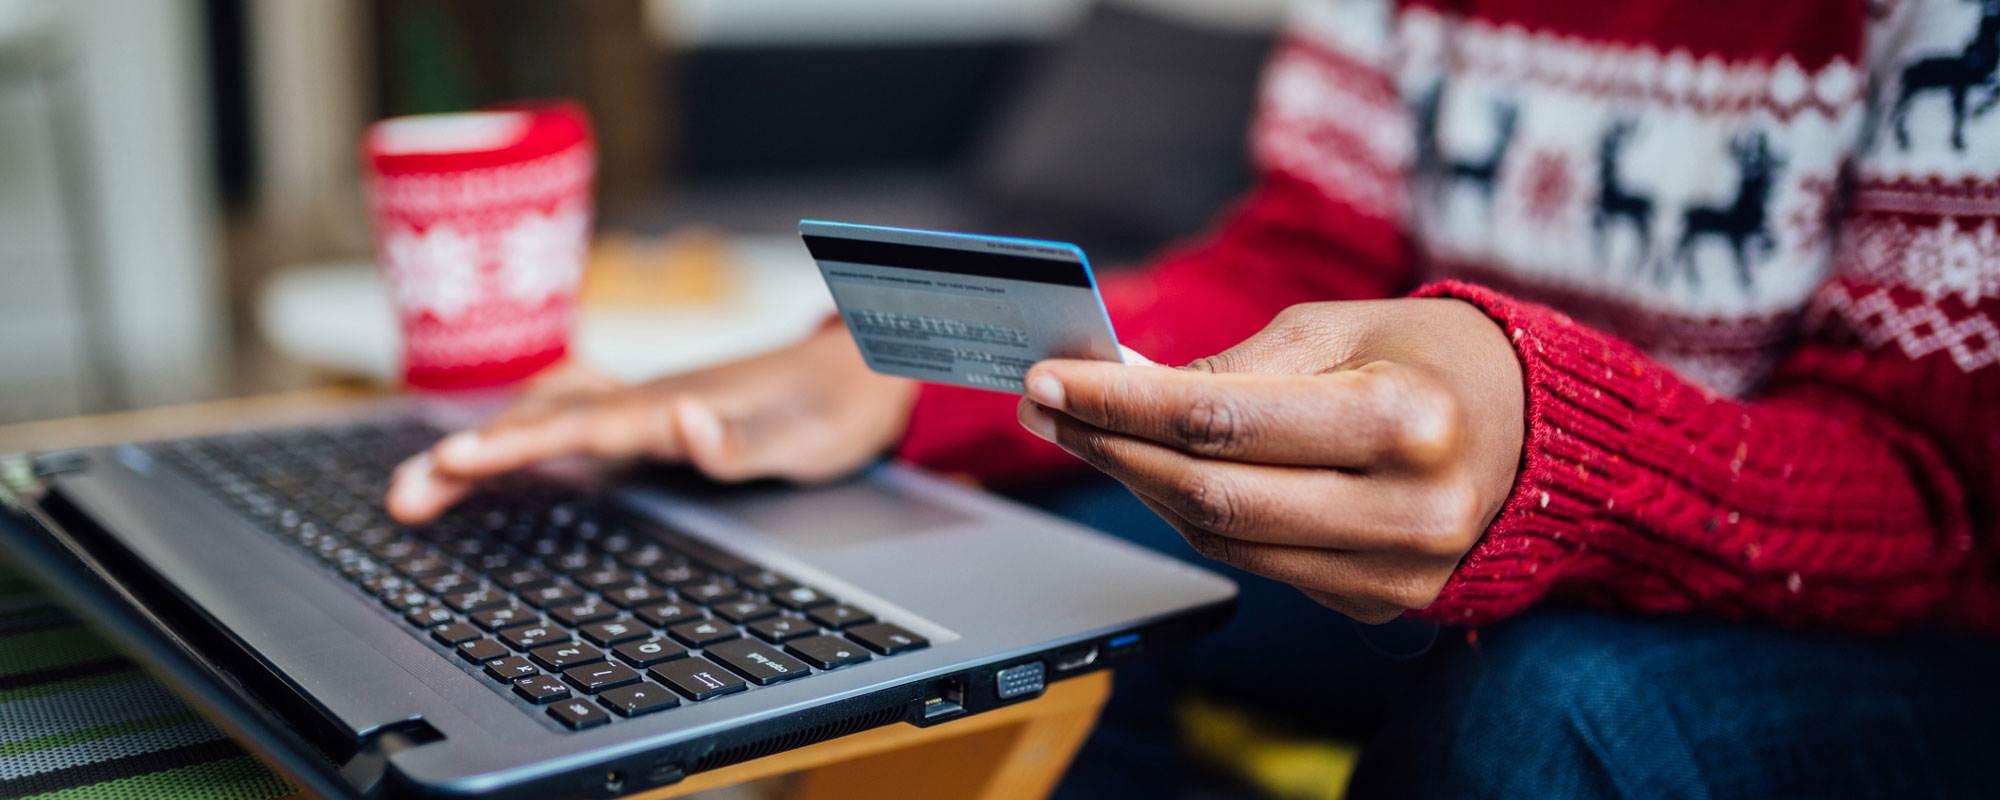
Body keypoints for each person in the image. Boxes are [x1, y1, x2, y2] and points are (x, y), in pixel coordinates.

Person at [390, 0, 2000, 795]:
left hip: (1890, 621)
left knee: (1556, 707)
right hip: (1456, 534)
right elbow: (1302, 248)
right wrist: (879, 374)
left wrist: (1555, 444)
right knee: (1038, 592)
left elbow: (1937, 485)